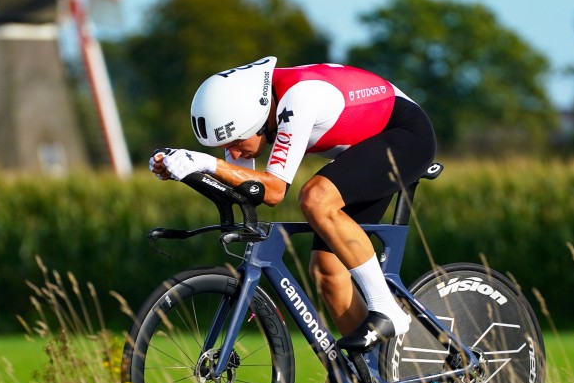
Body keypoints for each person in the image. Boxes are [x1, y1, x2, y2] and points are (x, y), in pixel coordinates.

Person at [150, 56, 436, 352]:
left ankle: (387, 310)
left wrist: (206, 163)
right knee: (327, 271)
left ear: (256, 119)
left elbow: (273, 192)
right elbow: (244, 187)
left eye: (235, 141)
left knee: (315, 197)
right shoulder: (256, 114)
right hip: (364, 147)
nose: (230, 150)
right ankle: (371, 377)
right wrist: (180, 169)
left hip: (405, 135)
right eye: (223, 146)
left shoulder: (298, 99)